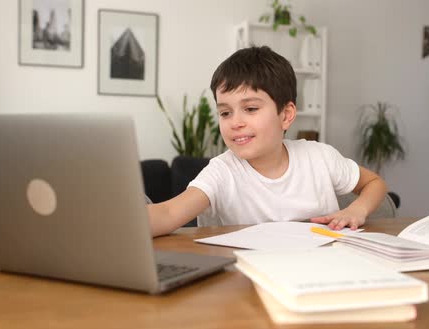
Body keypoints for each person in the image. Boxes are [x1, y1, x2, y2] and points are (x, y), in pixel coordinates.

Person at [148, 46, 387, 237]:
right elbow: (169, 212)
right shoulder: (222, 172)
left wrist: (357, 209)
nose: (235, 122)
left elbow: (374, 183)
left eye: (250, 108)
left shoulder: (320, 157)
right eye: (225, 113)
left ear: (286, 115)